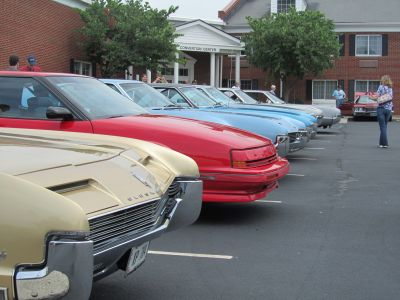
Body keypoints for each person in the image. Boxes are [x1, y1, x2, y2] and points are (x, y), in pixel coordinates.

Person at [372, 75, 393, 148]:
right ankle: (381, 144)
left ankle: (385, 144)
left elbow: (376, 97)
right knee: (384, 126)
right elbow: (390, 97)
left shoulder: (381, 87)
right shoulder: (390, 88)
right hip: (389, 110)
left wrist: (371, 97)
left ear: (383, 80)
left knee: (382, 126)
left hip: (381, 109)